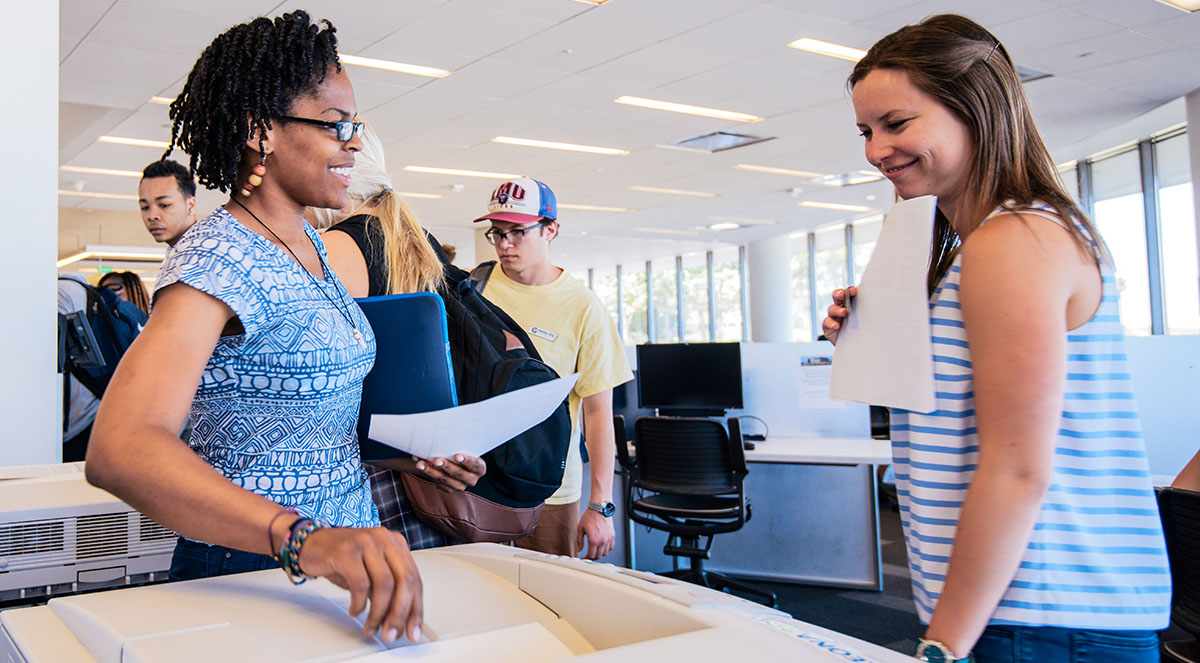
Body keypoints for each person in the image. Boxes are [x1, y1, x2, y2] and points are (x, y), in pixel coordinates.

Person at [822, 15, 1169, 663]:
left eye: (897, 123)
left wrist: (943, 645)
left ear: (975, 110)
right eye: (866, 131)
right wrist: (874, 339)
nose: (875, 150)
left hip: (1039, 613)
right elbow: (957, 420)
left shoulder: (1014, 242)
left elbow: (1019, 467)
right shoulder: (991, 244)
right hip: (1023, 611)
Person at [85, 11, 422, 644]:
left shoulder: (314, 247)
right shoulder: (218, 256)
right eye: (337, 125)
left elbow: (305, 413)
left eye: (358, 126)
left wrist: (417, 460)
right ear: (260, 131)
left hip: (348, 566)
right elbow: (120, 447)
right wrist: (302, 539)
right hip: (255, 566)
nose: (354, 143)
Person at [312, 121, 487, 550]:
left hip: (376, 478)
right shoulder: (414, 238)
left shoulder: (337, 247)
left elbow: (330, 390)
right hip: (433, 473)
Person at [472, 177, 632, 560]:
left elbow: (597, 414)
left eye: (517, 232)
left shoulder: (583, 307)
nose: (504, 244)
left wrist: (600, 504)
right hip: (478, 483)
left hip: (550, 489)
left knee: (551, 601)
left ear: (550, 229)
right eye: (497, 233)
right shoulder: (473, 291)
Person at [138, 159, 198, 248]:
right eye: (145, 207)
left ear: (190, 205)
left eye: (164, 205)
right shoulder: (179, 252)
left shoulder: (205, 252)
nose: (151, 216)